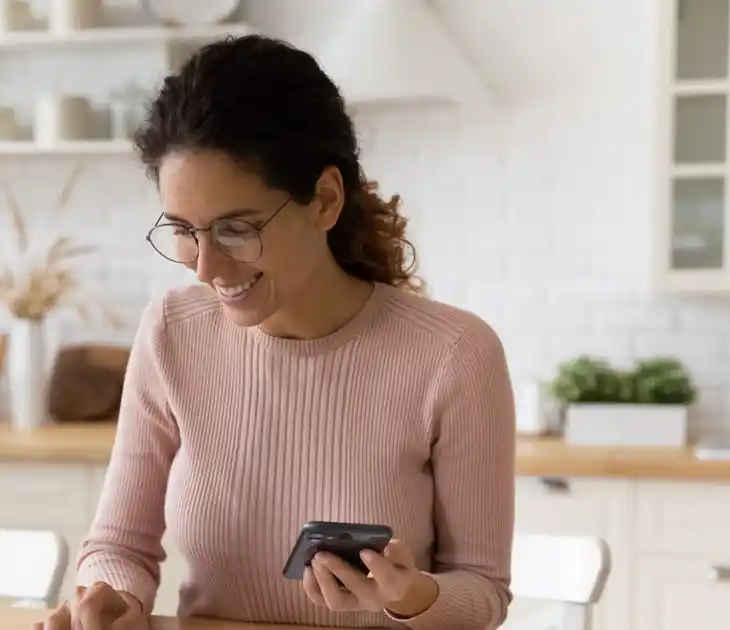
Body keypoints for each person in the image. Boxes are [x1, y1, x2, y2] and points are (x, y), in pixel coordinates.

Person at [40, 34, 515, 630]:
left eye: (237, 229)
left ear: (323, 200)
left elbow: (484, 592)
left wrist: (410, 597)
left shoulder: (454, 355)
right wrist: (110, 599)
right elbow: (120, 545)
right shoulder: (172, 334)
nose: (206, 268)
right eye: (185, 229)